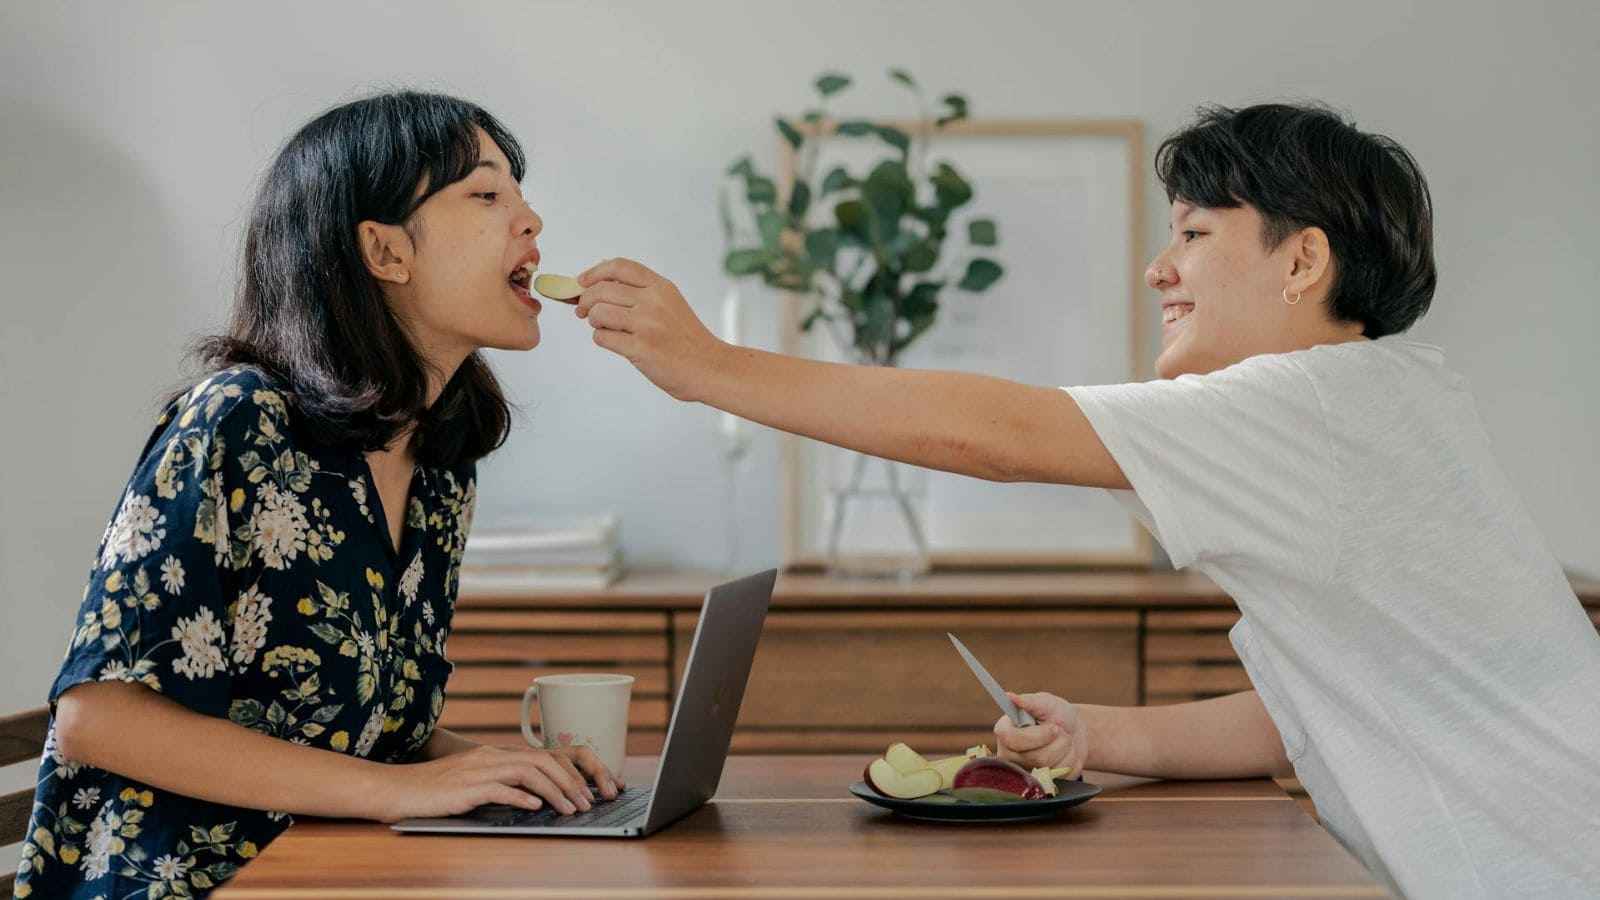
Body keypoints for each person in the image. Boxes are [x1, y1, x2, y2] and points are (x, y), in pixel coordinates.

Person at [570, 103, 1600, 898]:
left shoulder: (1308, 403)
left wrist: (706, 365)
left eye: (1194, 234)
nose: (1160, 267)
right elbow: (1326, 707)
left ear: (1303, 260)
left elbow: (993, 436)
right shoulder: (1392, 397)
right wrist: (1098, 737)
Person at [14, 91, 623, 900]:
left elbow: (360, 731)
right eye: (488, 193)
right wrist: (409, 791)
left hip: (342, 874)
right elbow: (99, 718)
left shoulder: (440, 460)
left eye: (520, 191)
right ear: (383, 250)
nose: (531, 219)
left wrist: (493, 768)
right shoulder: (236, 418)